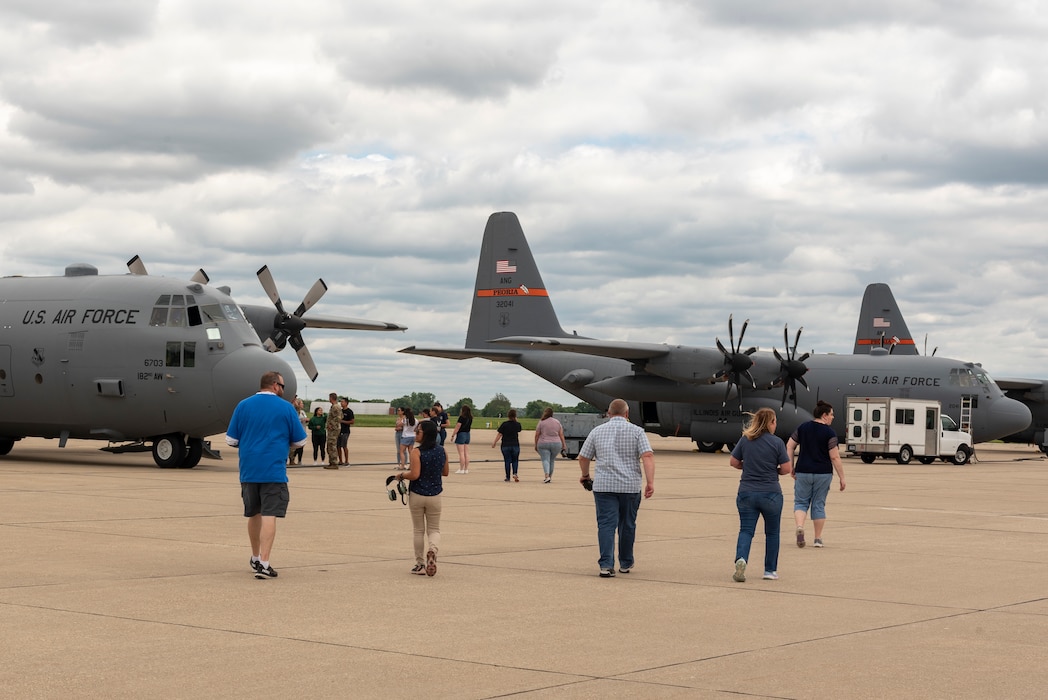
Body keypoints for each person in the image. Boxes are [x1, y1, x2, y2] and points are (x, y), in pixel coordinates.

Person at [225, 371, 307, 579]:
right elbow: (300, 441)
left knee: (253, 514)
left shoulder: (243, 405)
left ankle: (254, 557)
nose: (283, 389)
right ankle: (264, 561)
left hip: (249, 470)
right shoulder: (286, 408)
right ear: (275, 385)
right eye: (283, 386)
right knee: (270, 514)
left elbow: (231, 440)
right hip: (273, 471)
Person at [577, 399, 655, 577]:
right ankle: (626, 563)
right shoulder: (637, 432)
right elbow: (648, 456)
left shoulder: (597, 431)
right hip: (630, 486)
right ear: (627, 414)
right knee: (627, 525)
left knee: (606, 525)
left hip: (604, 486)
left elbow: (583, 457)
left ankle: (606, 565)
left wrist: (586, 475)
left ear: (609, 413)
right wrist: (650, 482)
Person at [729, 408, 792, 582]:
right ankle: (769, 570)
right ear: (771, 423)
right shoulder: (777, 442)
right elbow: (787, 468)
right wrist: (774, 470)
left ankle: (741, 559)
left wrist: (747, 466)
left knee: (746, 530)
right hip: (771, 493)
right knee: (772, 533)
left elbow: (733, 462)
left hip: (746, 492)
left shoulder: (745, 440)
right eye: (775, 421)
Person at [787, 400, 847, 548]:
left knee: (801, 502)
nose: (833, 417)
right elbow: (834, 456)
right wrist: (842, 477)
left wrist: (791, 467)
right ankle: (818, 539)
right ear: (824, 415)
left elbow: (790, 445)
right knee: (818, 504)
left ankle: (800, 527)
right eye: (832, 415)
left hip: (803, 471)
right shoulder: (830, 433)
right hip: (823, 473)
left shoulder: (802, 428)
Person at [392, 420, 449, 576]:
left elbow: (415, 474)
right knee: (434, 529)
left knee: (418, 530)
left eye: (418, 432)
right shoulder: (442, 451)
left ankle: (420, 564)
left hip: (417, 494)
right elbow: (445, 472)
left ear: (425, 434)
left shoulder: (416, 452)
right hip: (435, 494)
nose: (415, 434)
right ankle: (432, 549)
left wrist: (401, 475)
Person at [534, 407, 567, 484]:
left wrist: (536, 444)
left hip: (543, 443)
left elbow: (537, 434)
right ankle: (550, 476)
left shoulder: (541, 422)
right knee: (552, 460)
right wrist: (564, 445)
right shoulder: (557, 422)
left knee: (545, 459)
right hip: (556, 443)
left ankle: (546, 475)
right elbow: (561, 434)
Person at [492, 409, 523, 482]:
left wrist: (494, 442)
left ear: (508, 415)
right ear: (515, 416)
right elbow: (519, 430)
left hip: (505, 445)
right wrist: (516, 420)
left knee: (507, 461)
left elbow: (499, 434)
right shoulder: (517, 424)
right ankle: (515, 473)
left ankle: (507, 477)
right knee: (515, 460)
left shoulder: (504, 424)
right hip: (515, 444)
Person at [450, 404, 473, 474]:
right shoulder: (470, 418)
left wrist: (453, 435)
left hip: (461, 434)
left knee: (461, 453)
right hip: (467, 434)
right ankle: (466, 469)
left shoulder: (461, 417)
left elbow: (458, 426)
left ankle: (461, 469)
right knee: (466, 453)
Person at [324, 393, 343, 469]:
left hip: (333, 429)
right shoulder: (335, 406)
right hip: (333, 429)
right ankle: (331, 462)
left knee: (332, 445)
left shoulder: (335, 407)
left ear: (331, 398)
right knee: (330, 445)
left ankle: (334, 463)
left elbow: (338, 417)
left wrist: (331, 425)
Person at [288, 397, 308, 465]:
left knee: (300, 448)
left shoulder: (302, 412)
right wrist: (301, 420)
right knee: (293, 448)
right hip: (295, 430)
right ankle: (291, 459)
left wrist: (306, 420)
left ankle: (299, 460)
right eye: (301, 403)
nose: (302, 404)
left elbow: (305, 418)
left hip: (302, 430)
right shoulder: (294, 411)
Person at [338, 397, 355, 466]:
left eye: (342, 402)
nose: (341, 403)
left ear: (346, 403)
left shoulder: (349, 411)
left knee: (344, 446)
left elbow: (352, 421)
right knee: (338, 446)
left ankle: (346, 461)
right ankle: (340, 461)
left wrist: (343, 421)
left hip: (345, 431)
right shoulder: (340, 411)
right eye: (340, 402)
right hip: (339, 430)